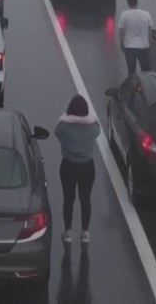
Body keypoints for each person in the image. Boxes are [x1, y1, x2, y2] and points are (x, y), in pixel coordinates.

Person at [54, 95, 100, 244]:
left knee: (68, 199)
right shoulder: (93, 127)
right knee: (85, 199)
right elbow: (98, 130)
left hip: (68, 166)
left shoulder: (64, 127)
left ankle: (68, 233)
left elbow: (57, 132)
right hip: (87, 167)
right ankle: (85, 233)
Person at [118, 0, 154, 74]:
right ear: (137, 2)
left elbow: (121, 32)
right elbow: (150, 31)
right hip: (144, 46)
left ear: (128, 3)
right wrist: (150, 45)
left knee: (131, 72)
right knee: (146, 71)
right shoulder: (146, 14)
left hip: (130, 47)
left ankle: (132, 85)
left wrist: (122, 44)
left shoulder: (124, 15)